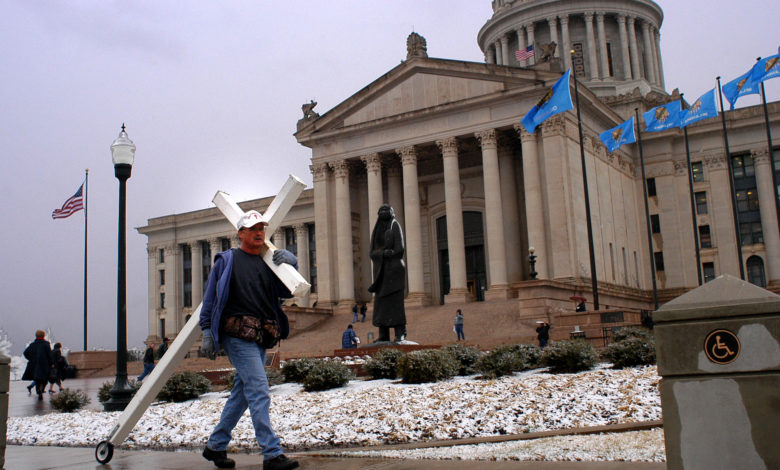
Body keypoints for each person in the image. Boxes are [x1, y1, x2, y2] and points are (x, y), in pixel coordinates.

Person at [199, 210, 299, 470]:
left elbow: (286, 291)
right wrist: (207, 330)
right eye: (253, 228)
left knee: (242, 394)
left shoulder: (268, 264)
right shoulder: (228, 260)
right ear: (240, 233)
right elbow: (210, 296)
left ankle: (215, 446)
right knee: (259, 390)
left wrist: (291, 265)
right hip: (237, 335)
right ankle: (272, 454)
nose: (259, 233)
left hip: (260, 336)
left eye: (262, 229)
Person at [367, 204, 407, 342]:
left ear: (392, 213)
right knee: (381, 304)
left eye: (387, 210)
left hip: (394, 272)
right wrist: (382, 253)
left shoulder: (395, 225)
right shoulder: (377, 230)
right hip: (381, 273)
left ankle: (400, 332)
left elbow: (400, 248)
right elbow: (372, 252)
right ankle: (383, 334)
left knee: (396, 303)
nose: (384, 213)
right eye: (381, 211)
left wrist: (392, 253)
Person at [22, 330, 53, 401]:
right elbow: (49, 355)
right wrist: (51, 363)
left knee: (37, 379)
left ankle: (38, 390)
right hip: (44, 365)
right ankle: (41, 390)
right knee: (44, 379)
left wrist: (31, 359)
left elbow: (25, 353)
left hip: (34, 365)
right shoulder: (46, 344)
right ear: (43, 336)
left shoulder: (32, 345)